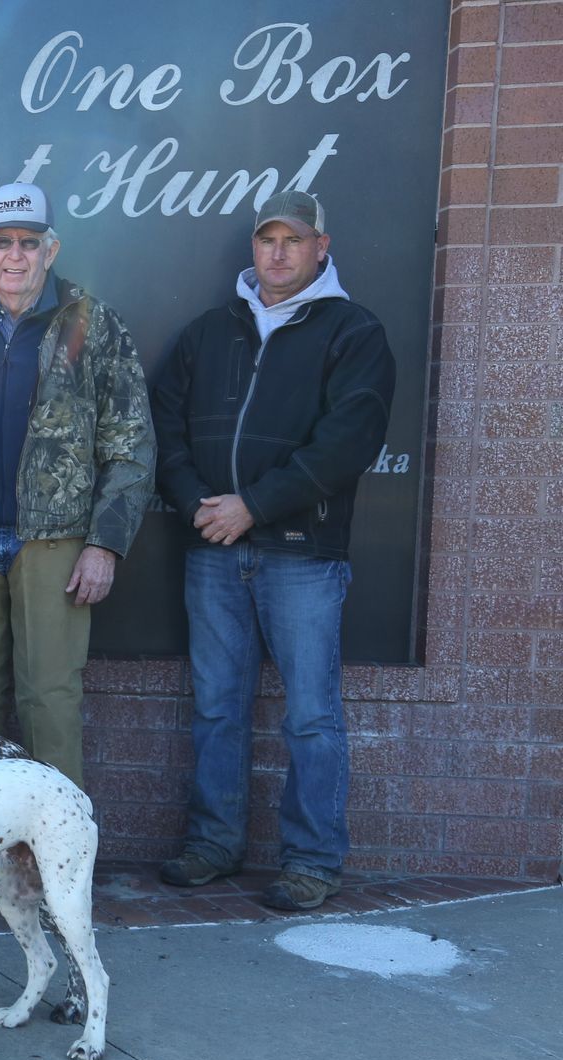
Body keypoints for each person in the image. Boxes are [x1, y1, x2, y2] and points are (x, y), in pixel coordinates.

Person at [150, 191, 396, 911]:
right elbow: (164, 425)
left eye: (294, 240)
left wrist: (253, 505)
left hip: (302, 554)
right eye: (267, 240)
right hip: (213, 550)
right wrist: (201, 501)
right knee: (217, 707)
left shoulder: (353, 332)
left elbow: (350, 439)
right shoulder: (208, 332)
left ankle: (313, 860)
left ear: (322, 245)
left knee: (312, 715)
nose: (278, 253)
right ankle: (213, 843)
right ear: (252, 248)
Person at [0, 182, 155, 787]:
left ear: (51, 250)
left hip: (56, 544)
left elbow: (130, 443)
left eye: (29, 242)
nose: (16, 255)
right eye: (4, 242)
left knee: (49, 703)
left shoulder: (93, 323)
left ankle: (57, 862)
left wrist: (106, 543)